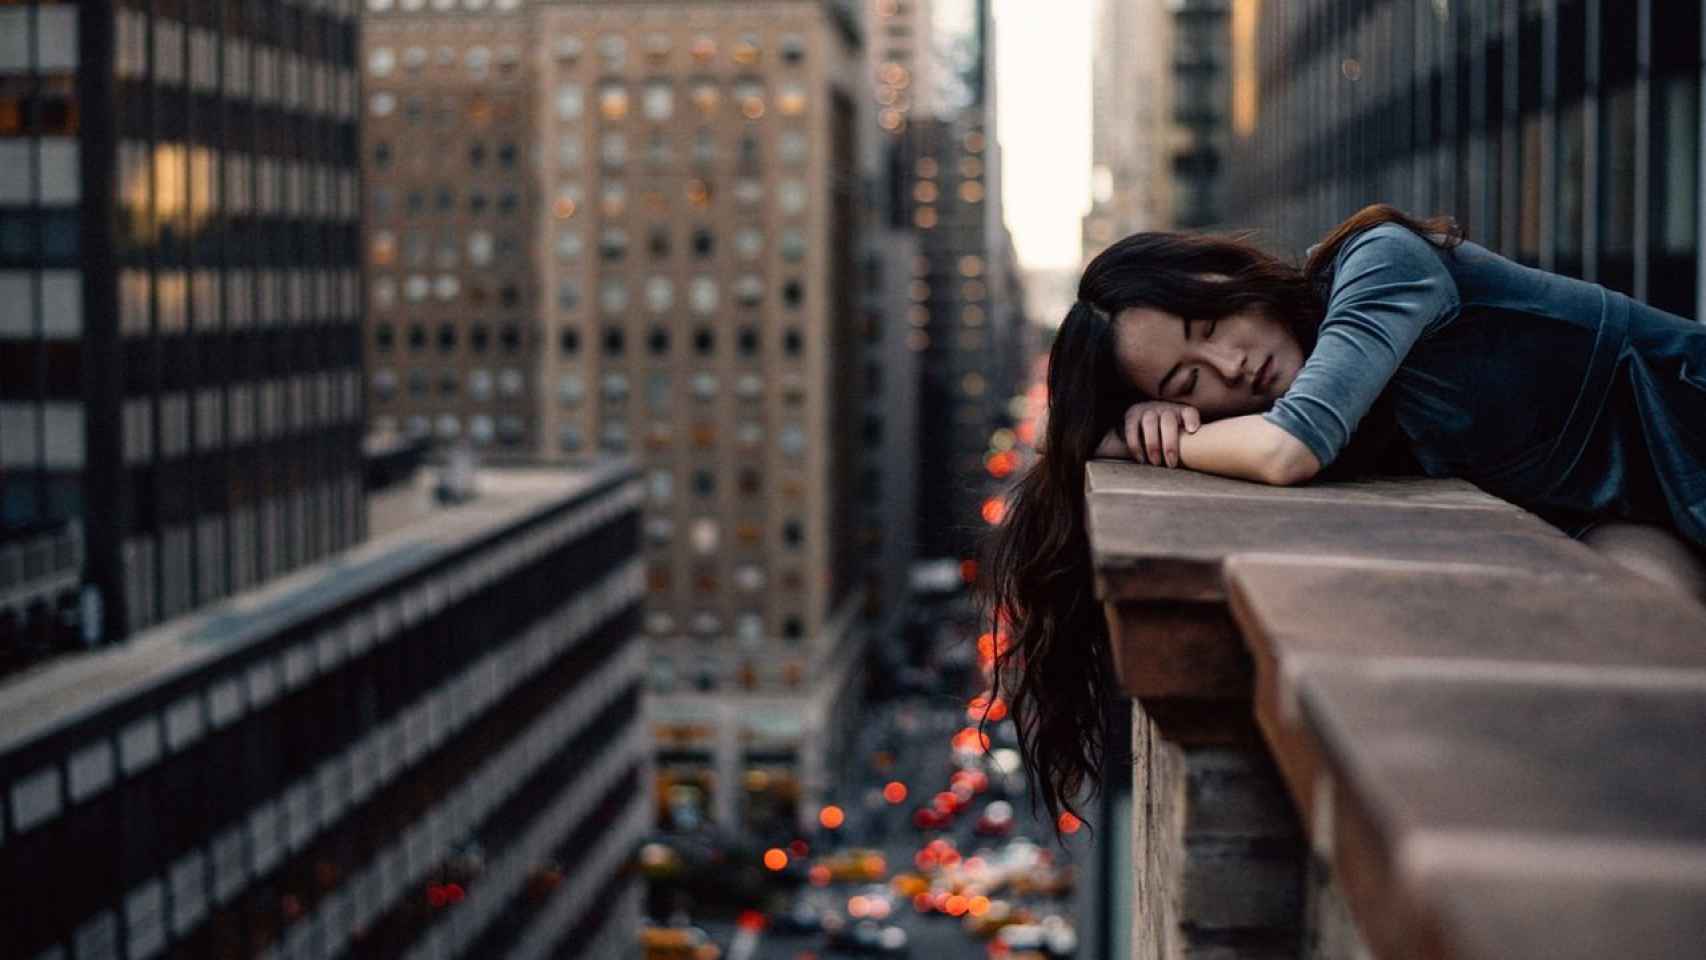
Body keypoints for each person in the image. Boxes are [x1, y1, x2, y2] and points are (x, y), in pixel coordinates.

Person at [979, 202, 1706, 831]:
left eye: (1211, 322)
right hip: (1628, 513)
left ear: (1231, 275)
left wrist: (1160, 436)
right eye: (1188, 380)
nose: (1230, 366)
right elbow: (1053, 437)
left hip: (1689, 434)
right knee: (1641, 653)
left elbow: (1290, 448)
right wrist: (1136, 425)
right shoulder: (1336, 404)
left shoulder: (1380, 262)